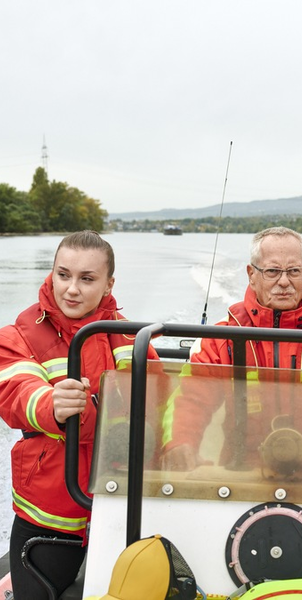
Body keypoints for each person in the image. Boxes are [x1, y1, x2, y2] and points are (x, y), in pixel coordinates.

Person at [0, 230, 160, 600]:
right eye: (63, 274)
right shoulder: (16, 335)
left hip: (123, 504)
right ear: (52, 273)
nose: (71, 288)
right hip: (50, 512)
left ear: (108, 285)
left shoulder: (135, 339)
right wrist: (51, 405)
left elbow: (161, 409)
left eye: (87, 279)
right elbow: (15, 394)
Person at [161, 227, 302, 473]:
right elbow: (192, 399)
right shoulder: (220, 340)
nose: (284, 281)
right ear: (251, 274)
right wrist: (180, 443)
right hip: (240, 478)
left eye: (293, 271)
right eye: (272, 271)